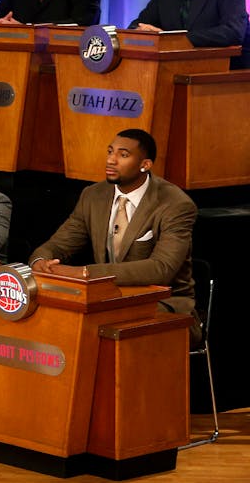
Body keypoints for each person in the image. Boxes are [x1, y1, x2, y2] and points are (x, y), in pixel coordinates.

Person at [29, 129, 198, 336]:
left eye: (123, 155)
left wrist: (85, 273)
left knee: (92, 325)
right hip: (110, 299)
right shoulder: (93, 196)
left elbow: (161, 269)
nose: (111, 160)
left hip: (164, 304)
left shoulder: (175, 204)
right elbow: (59, 244)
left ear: (145, 165)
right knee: (53, 316)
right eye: (110, 152)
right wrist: (40, 261)